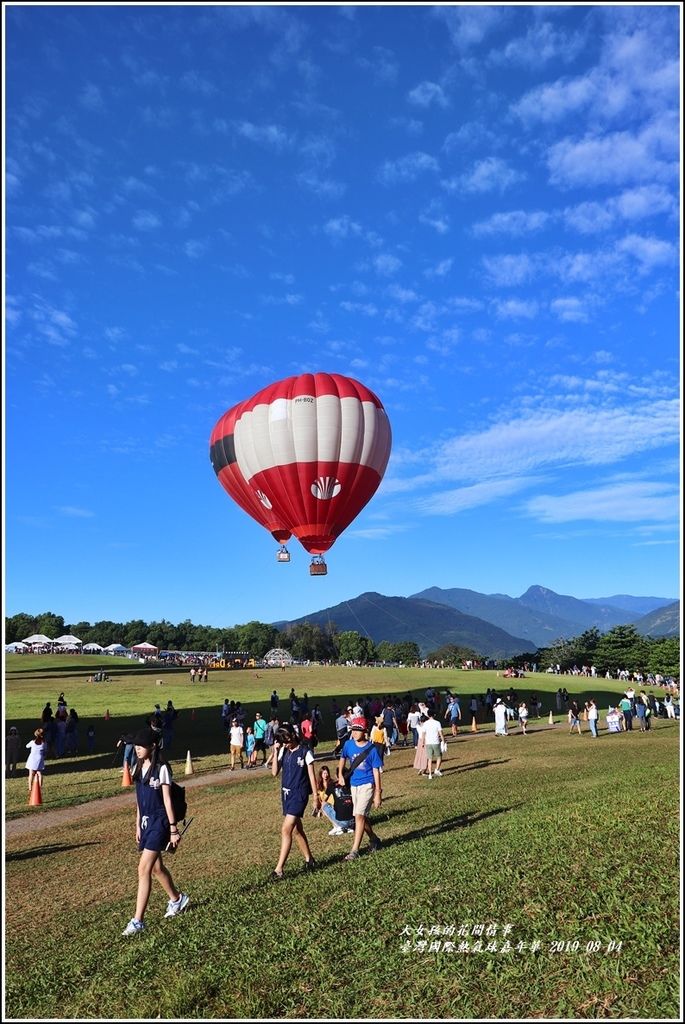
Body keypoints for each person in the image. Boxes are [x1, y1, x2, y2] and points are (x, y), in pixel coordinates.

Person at [122, 728, 189, 936]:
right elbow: (139, 801)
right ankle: (178, 900)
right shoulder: (137, 766)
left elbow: (167, 801)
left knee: (143, 869)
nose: (137, 750)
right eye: (135, 746)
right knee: (156, 869)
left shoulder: (162, 768)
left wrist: (173, 829)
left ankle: (138, 921)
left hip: (160, 822)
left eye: (141, 746)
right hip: (145, 822)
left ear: (152, 746)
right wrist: (137, 824)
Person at [271, 722, 319, 879]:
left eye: (287, 740)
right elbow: (274, 773)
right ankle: (310, 860)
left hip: (300, 794)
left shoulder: (305, 752)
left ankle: (279, 870)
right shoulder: (284, 751)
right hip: (286, 794)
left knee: (286, 829)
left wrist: (316, 798)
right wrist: (276, 750)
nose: (286, 744)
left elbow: (312, 775)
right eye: (283, 741)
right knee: (297, 829)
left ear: (293, 735)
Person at [337, 717, 383, 861]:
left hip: (367, 785)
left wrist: (378, 793)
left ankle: (354, 850)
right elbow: (342, 758)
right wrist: (340, 775)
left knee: (359, 816)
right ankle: (374, 839)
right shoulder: (349, 745)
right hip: (354, 785)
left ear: (365, 731)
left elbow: (376, 771)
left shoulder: (372, 749)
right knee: (360, 816)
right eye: (353, 730)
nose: (355, 733)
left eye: (358, 730)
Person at [315, 765, 354, 835]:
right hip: (355, 820)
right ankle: (347, 826)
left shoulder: (332, 785)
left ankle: (338, 827)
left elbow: (324, 800)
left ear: (337, 775)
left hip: (343, 821)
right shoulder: (353, 784)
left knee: (324, 805)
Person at [421, 709, 445, 779]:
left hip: (428, 742)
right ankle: (437, 769)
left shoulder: (425, 723)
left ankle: (430, 774)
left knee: (430, 758)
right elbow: (440, 733)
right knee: (439, 756)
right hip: (435, 742)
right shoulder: (437, 723)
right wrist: (443, 740)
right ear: (434, 715)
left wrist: (423, 742)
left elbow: (423, 734)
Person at [26, 727, 46, 794]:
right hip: (40, 759)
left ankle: (30, 788)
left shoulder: (32, 742)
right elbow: (46, 750)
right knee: (39, 773)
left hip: (32, 758)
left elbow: (27, 746)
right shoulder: (44, 743)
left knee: (30, 773)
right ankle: (40, 787)